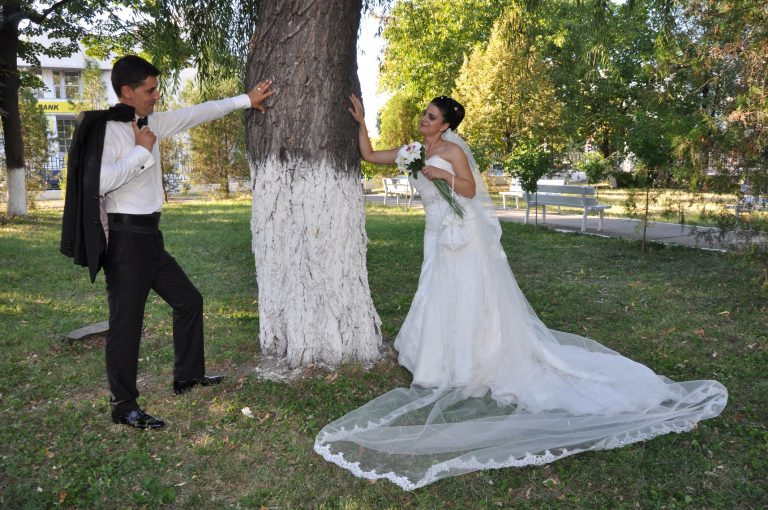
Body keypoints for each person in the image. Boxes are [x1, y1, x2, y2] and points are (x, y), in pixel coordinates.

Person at [313, 95, 728, 490]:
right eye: (424, 114)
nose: (423, 120)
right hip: (437, 235)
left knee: (468, 296)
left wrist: (442, 175)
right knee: (437, 294)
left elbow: (469, 191)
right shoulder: (412, 151)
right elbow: (370, 155)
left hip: (464, 237)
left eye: (431, 117)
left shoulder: (453, 152)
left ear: (447, 124)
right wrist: (362, 122)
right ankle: (439, 360)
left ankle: (473, 360)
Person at [61, 55, 275, 430]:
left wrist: (246, 99)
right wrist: (141, 151)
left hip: (150, 237)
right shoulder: (108, 130)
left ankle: (187, 377)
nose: (156, 95)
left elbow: (196, 113)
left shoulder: (153, 121)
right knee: (126, 325)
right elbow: (98, 183)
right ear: (127, 91)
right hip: (125, 240)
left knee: (189, 300)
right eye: (150, 90)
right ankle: (123, 407)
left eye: (156, 88)